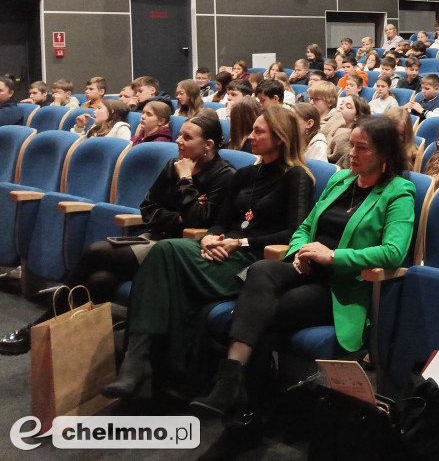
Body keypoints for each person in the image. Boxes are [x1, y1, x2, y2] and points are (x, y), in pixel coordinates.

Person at [189, 115, 414, 418]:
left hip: (340, 285)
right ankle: (233, 381)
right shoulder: (340, 179)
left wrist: (332, 256)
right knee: (260, 271)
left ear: (385, 154)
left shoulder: (399, 191)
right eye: (352, 146)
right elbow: (304, 227)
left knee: (268, 310)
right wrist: (299, 252)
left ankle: (244, 400)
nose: (352, 154)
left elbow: (393, 253)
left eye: (362, 149)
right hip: (305, 268)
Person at [102, 107, 313, 399]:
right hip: (219, 249)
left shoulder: (297, 176)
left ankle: (144, 365)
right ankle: (143, 364)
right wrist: (209, 239)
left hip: (253, 260)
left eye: (259, 132)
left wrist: (238, 244)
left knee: (166, 255)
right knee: (165, 252)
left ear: (280, 138)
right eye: (252, 129)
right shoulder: (246, 174)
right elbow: (219, 221)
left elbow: (293, 232)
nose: (250, 136)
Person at [0, 112, 237, 356]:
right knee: (98, 280)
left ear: (208, 145)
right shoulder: (172, 165)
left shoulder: (224, 175)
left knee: (95, 252)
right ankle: (74, 350)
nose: (178, 141)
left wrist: (186, 181)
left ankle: (38, 329)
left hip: (181, 251)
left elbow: (200, 220)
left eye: (187, 138)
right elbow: (148, 208)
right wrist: (176, 217)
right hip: (155, 238)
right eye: (179, 135)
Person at [328, 94, 372, 168]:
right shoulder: (329, 125)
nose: (341, 106)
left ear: (357, 116)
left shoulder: (352, 138)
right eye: (342, 103)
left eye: (348, 107)